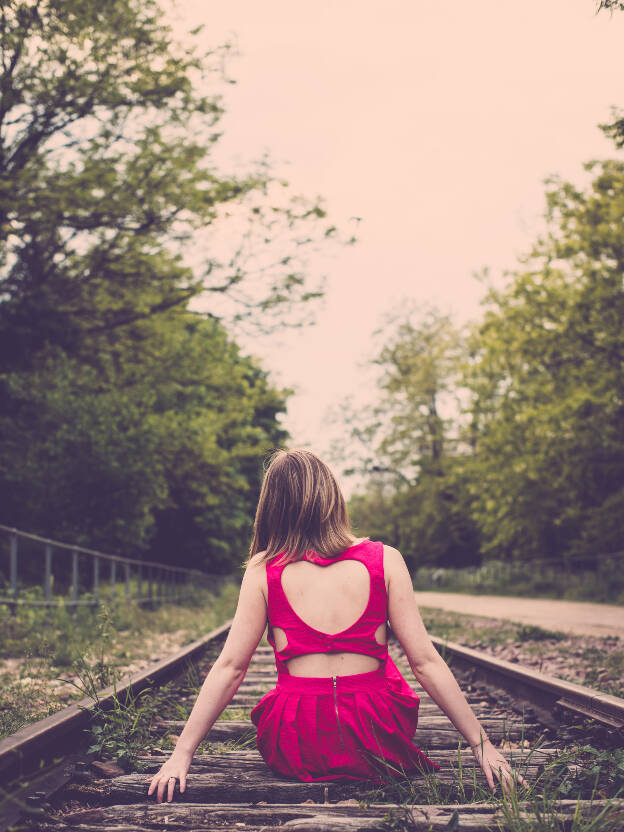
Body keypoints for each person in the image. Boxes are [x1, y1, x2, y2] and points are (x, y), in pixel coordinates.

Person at [148, 448, 522, 803]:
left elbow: (231, 668)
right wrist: (481, 745)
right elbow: (425, 662)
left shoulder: (264, 569)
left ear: (271, 509)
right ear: (332, 497)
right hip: (377, 739)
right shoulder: (385, 560)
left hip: (297, 747)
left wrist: (182, 753)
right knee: (386, 670)